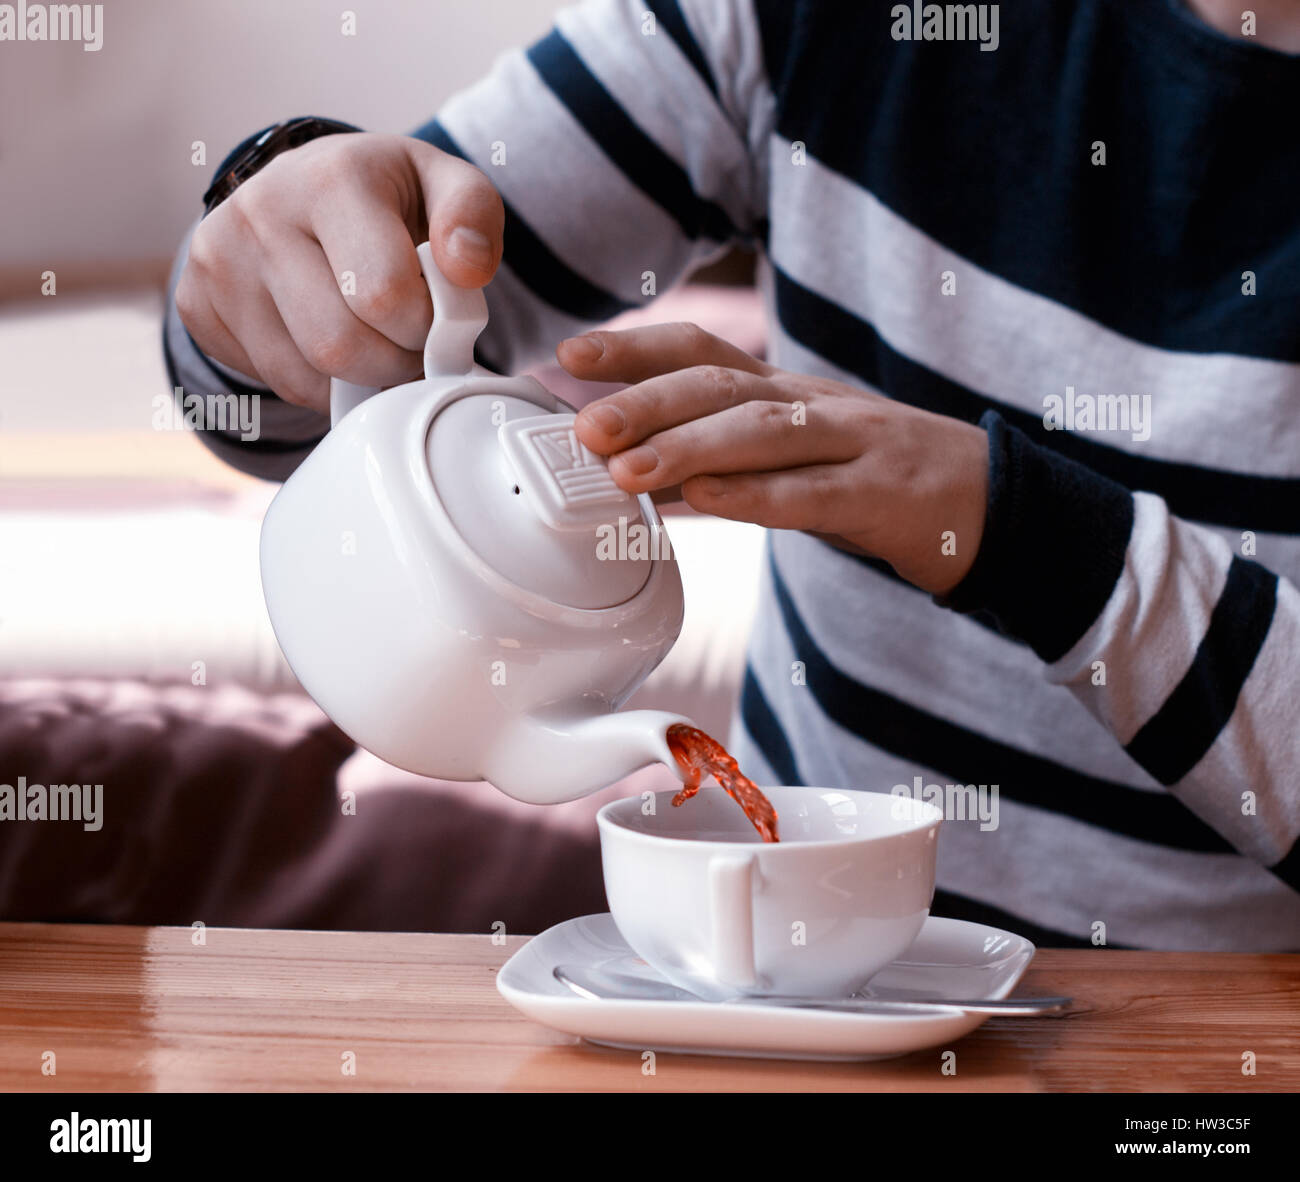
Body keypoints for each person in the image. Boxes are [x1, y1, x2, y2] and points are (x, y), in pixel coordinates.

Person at [165, 0, 1300, 948]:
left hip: (1210, 1036)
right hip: (786, 977)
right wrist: (279, 248)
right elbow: (305, 388)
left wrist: (1029, 538)